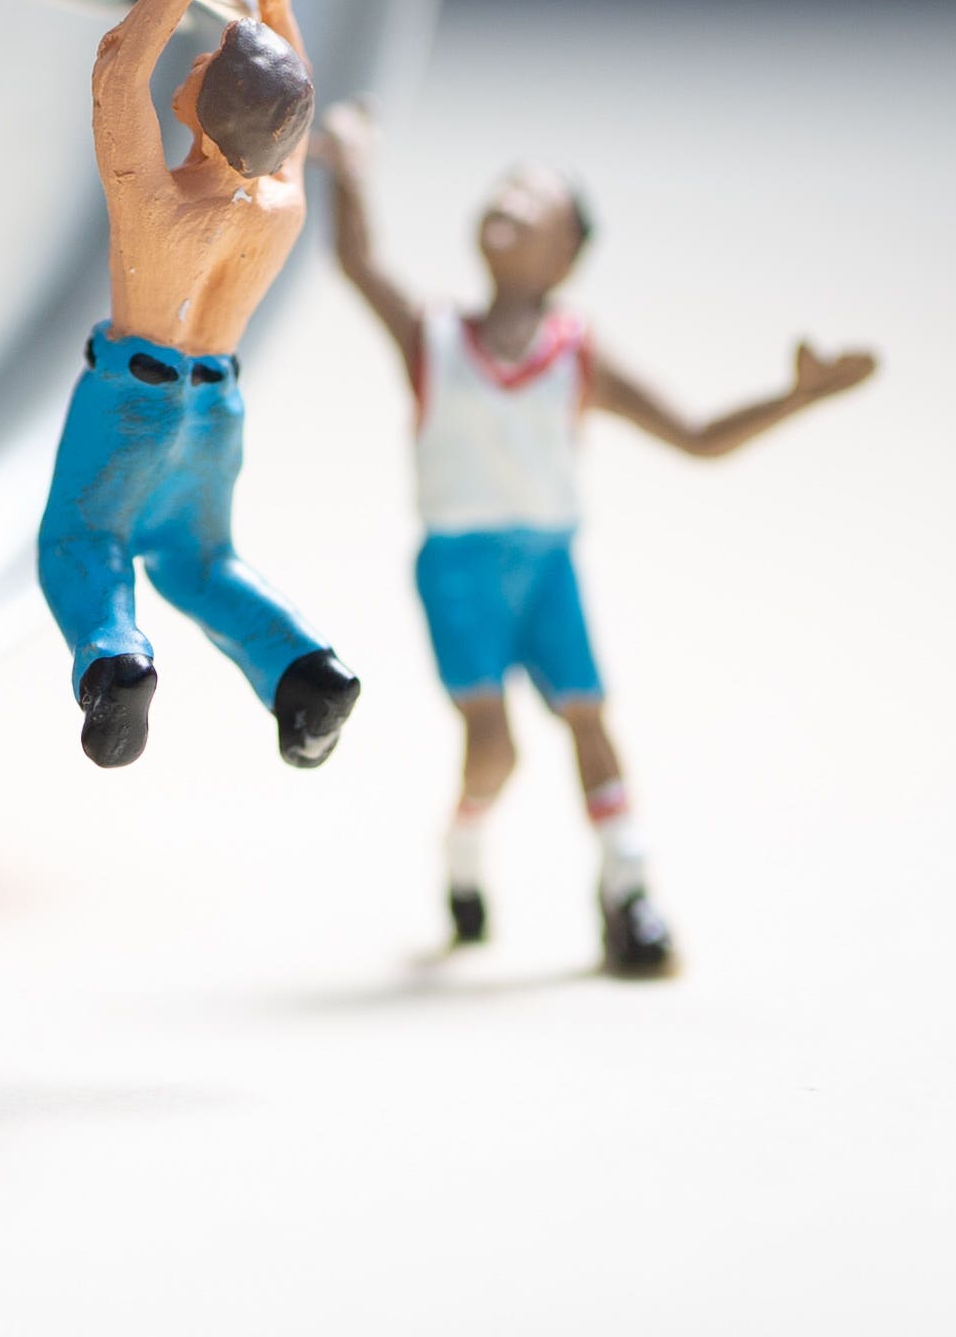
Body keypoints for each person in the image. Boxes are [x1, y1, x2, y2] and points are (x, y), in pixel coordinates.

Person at [312, 104, 878, 976]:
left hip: (545, 564)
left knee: (588, 716)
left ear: (564, 254)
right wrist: (347, 167)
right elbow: (355, 261)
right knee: (492, 743)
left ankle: (628, 886)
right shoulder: (434, 336)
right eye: (503, 186)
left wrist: (792, 397)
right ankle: (463, 849)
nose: (507, 198)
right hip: (457, 568)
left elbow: (693, 434)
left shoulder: (576, 355)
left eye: (532, 198)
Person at [52, 0, 359, 770]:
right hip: (216, 405)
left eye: (212, 60)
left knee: (81, 538)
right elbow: (290, 102)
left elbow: (116, 69)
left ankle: (113, 659)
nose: (196, 53)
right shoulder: (278, 205)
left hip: (132, 399)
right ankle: (305, 672)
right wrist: (273, 2)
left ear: (206, 105)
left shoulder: (160, 203)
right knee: (198, 561)